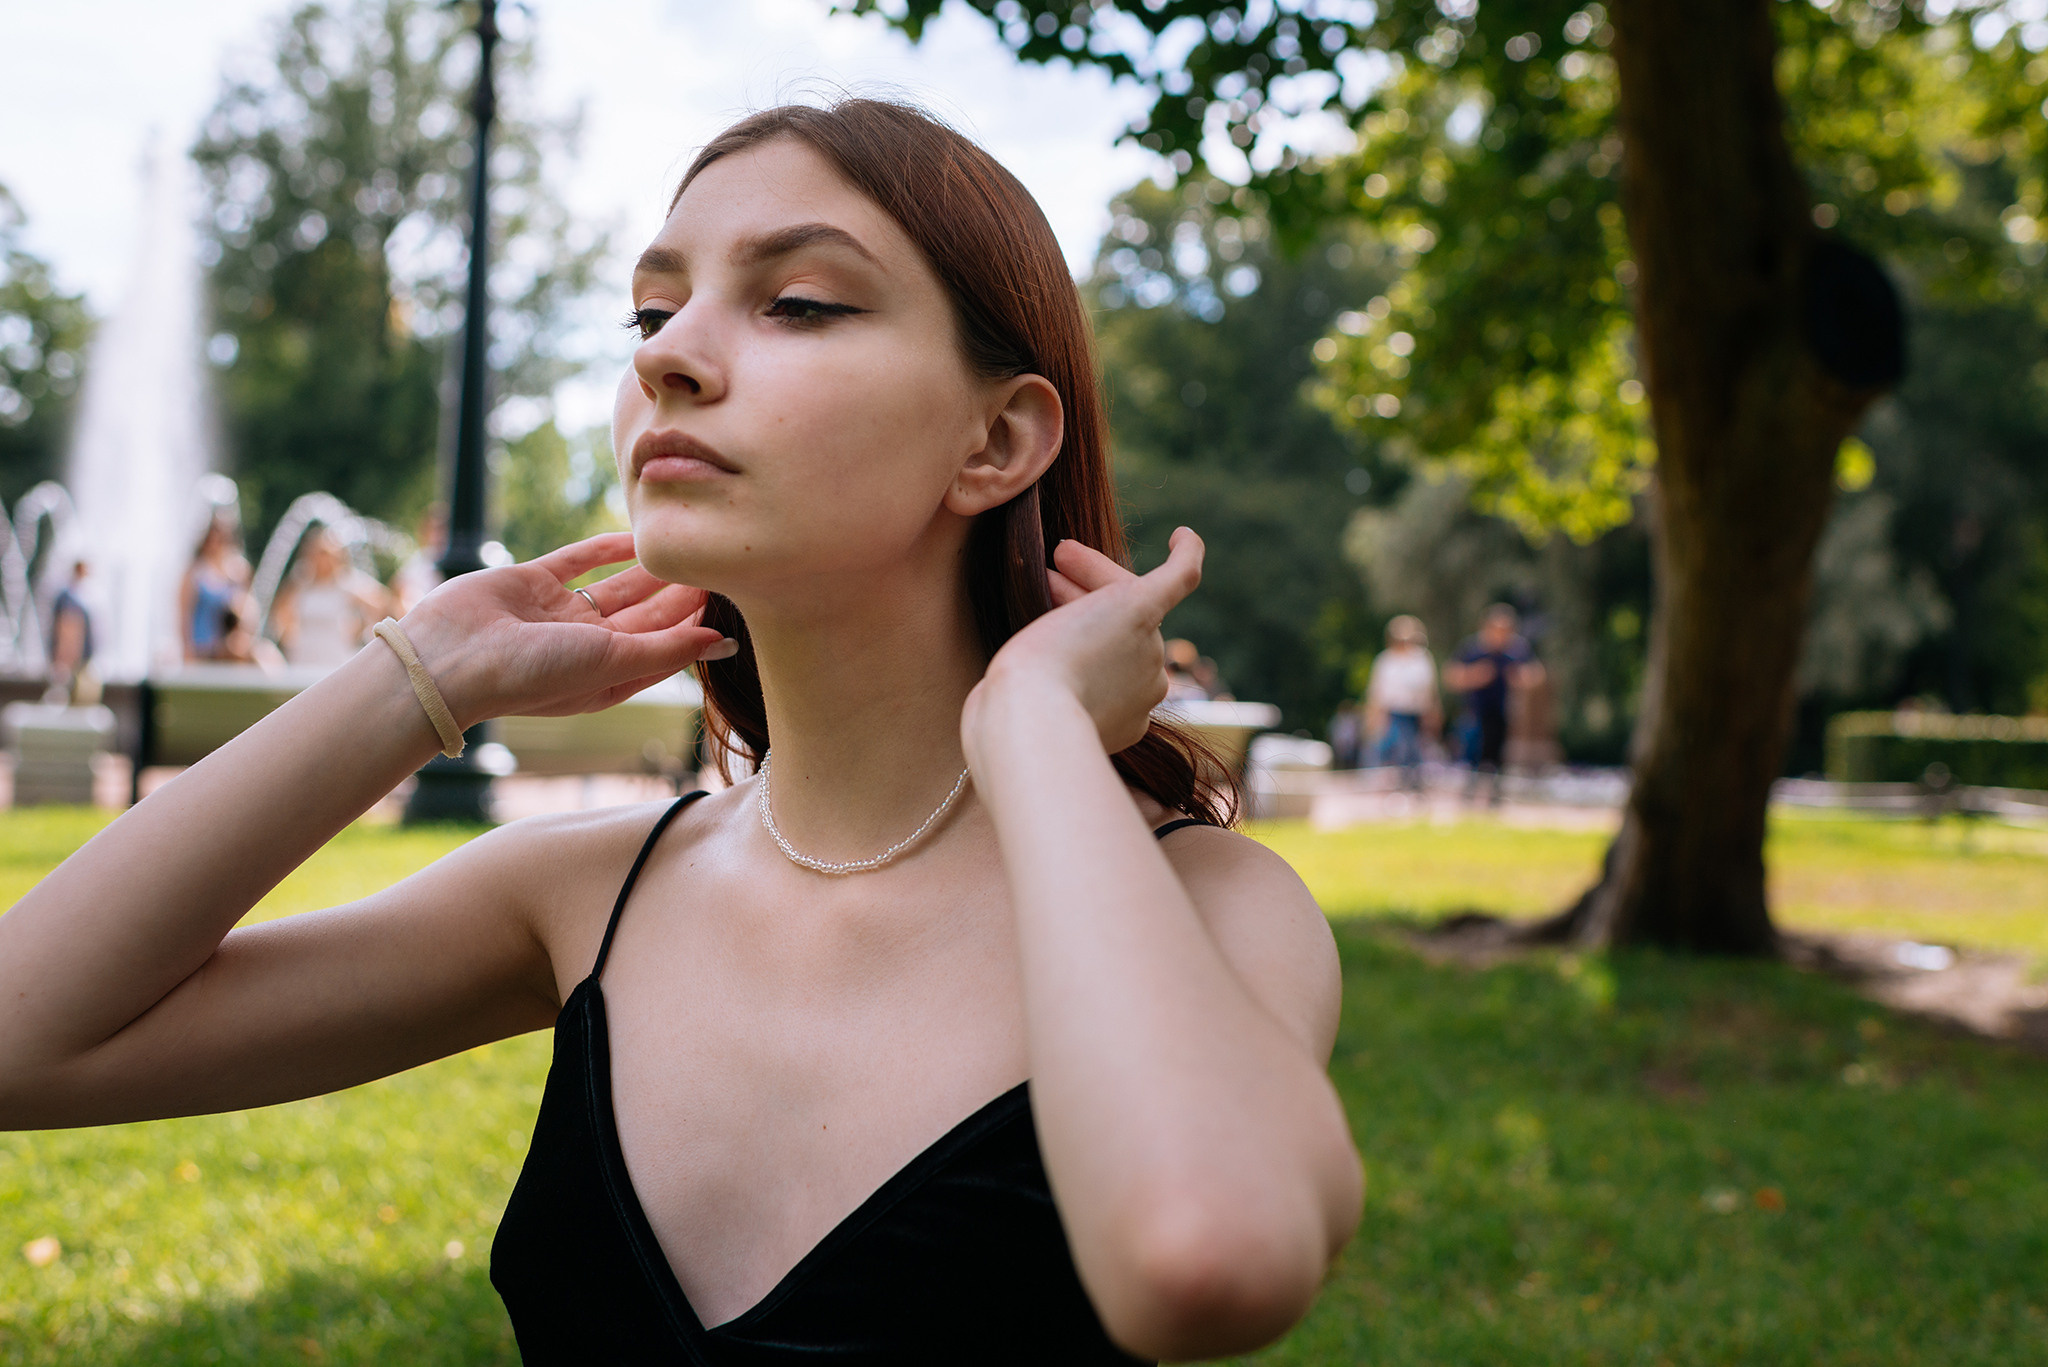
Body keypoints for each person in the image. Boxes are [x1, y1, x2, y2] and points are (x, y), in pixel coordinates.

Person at [0, 100, 1360, 1365]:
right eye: (651, 309)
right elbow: (23, 1038)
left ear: (997, 439)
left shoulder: (1213, 902)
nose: (664, 353)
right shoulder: (583, 895)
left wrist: (1041, 728)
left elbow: (1208, 1252)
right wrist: (418, 675)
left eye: (801, 301)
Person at [1443, 603, 1545, 801]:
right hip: (1473, 712)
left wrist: (1521, 678)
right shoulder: (1473, 648)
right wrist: (1475, 676)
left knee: (1497, 756)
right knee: (1471, 754)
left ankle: (1495, 798)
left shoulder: (1517, 649)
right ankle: (1468, 795)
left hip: (1502, 711)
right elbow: (1451, 676)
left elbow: (1537, 674)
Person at [272, 527, 392, 669]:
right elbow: (280, 610)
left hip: (336, 654)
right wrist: (288, 635)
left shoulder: (348, 582)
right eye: (315, 553)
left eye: (324, 553)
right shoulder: (301, 581)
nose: (319, 558)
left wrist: (362, 630)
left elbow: (381, 603)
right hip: (303, 654)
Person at [1363, 615, 1439, 789]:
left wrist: (1433, 714)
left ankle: (1413, 785)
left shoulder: (1422, 659)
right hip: (1394, 713)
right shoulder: (1385, 661)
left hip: (1417, 713)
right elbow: (1377, 692)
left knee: (1415, 750)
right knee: (1397, 748)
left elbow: (1430, 691)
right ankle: (1397, 785)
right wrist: (1373, 717)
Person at [179, 513, 254, 663]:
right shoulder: (195, 573)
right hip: (202, 646)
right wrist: (186, 649)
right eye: (211, 540)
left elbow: (247, 610)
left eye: (221, 540)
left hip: (227, 646)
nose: (215, 544)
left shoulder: (236, 571)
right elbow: (184, 614)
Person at [45, 558, 100, 707]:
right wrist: (65, 659)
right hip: (71, 661)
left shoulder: (78, 595)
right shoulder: (69, 596)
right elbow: (67, 629)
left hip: (76, 660)